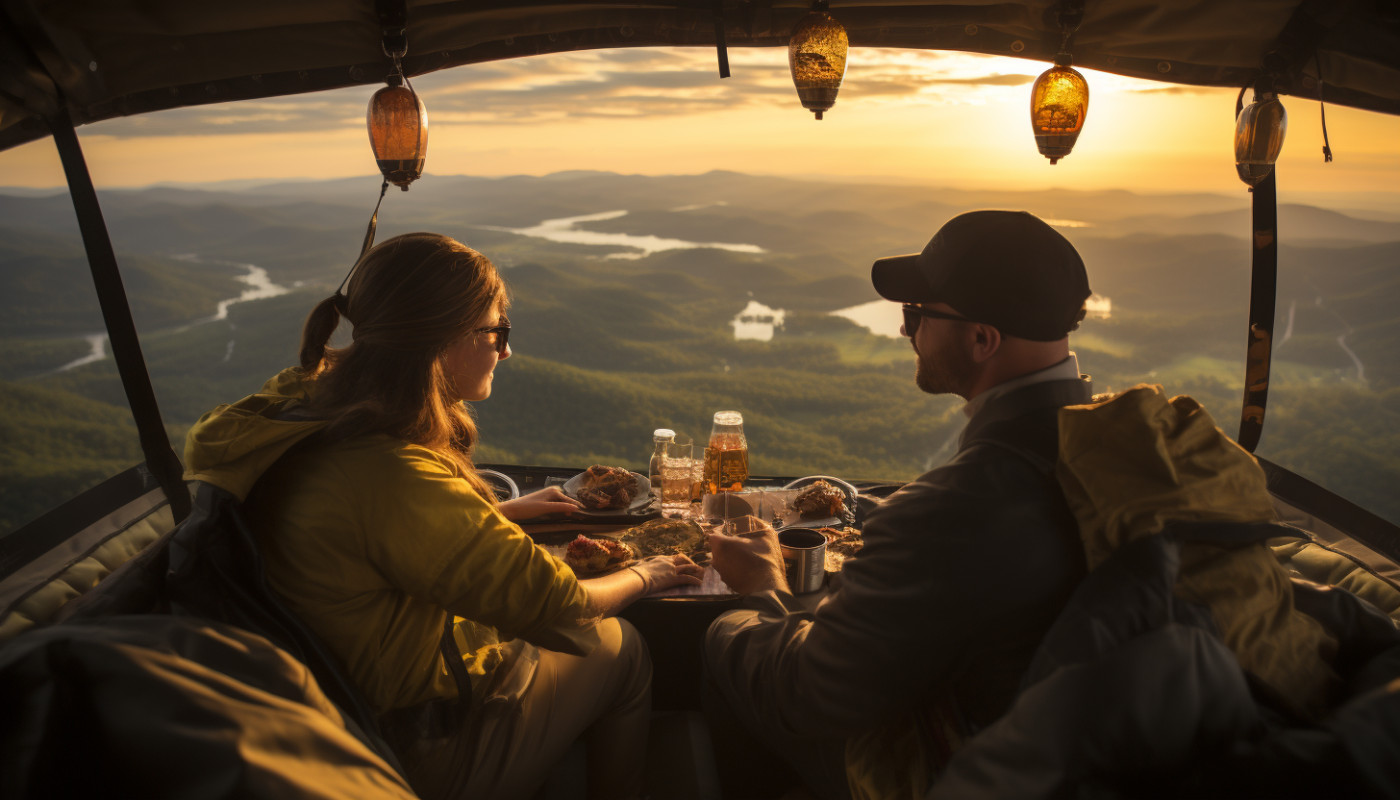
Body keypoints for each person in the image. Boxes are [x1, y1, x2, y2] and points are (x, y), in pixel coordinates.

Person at [183, 232, 704, 800]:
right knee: (620, 646)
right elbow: (563, 610)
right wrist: (646, 575)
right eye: (496, 332)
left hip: (329, 717)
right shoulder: (393, 473)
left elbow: (373, 538)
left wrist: (500, 513)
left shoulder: (301, 409)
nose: (505, 351)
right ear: (442, 338)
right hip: (413, 752)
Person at [703, 210, 1095, 800]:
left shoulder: (954, 511)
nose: (904, 332)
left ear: (981, 338)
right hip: (1070, 762)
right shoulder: (1109, 459)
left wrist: (762, 588)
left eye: (916, 315)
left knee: (728, 638)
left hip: (953, 772)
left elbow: (810, 695)